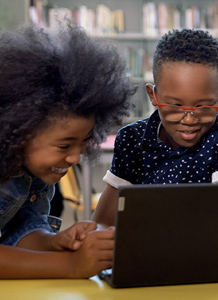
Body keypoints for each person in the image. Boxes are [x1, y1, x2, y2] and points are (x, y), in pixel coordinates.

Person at [0, 23, 136, 278]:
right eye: (64, 145)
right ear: (17, 131)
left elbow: (19, 233)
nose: (75, 157)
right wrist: (71, 266)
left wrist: (55, 243)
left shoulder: (35, 175)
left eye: (84, 140)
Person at [93, 28, 218, 227]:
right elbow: (102, 223)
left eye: (203, 107)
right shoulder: (133, 139)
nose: (189, 119)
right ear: (153, 95)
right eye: (174, 106)